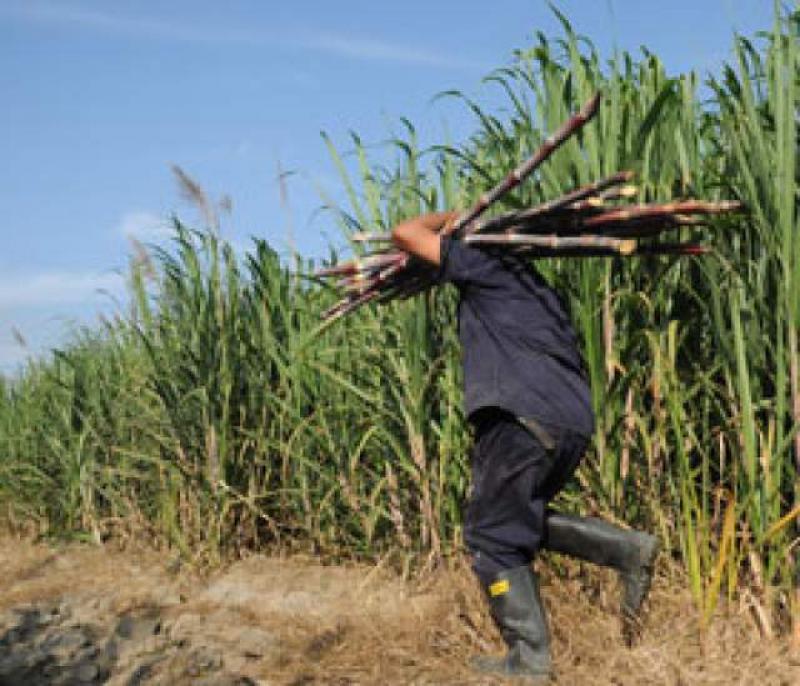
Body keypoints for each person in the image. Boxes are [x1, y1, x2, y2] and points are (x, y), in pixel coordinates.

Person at [391, 211, 660, 683]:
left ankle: (529, 663)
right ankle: (626, 550)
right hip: (569, 425)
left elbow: (406, 234)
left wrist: (451, 220)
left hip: (519, 420)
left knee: (491, 535)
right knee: (516, 520)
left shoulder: (484, 264)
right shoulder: (540, 291)